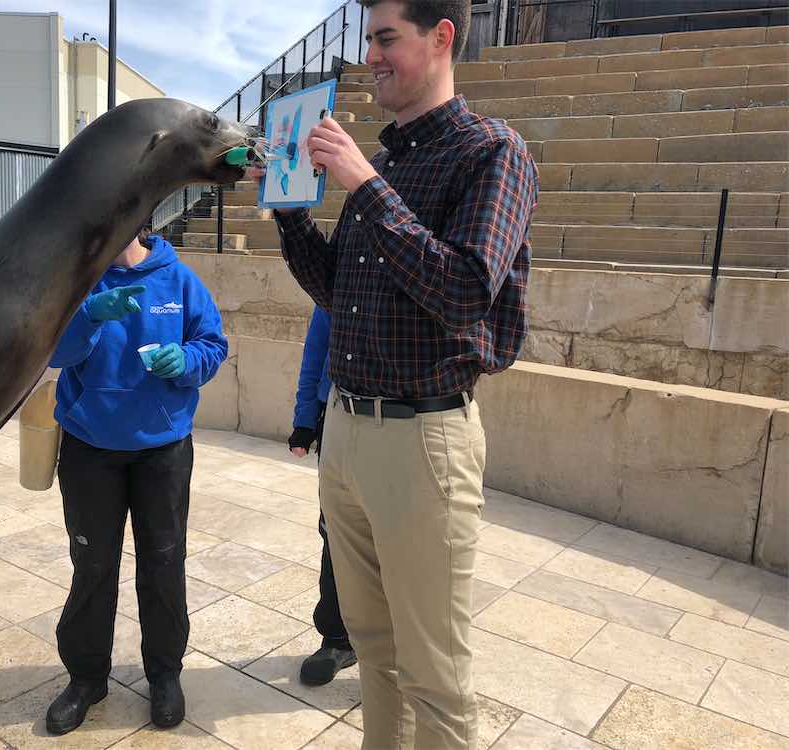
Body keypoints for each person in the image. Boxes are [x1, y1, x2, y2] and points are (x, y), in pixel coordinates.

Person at [249, 0, 538, 746]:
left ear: (441, 37)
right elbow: (336, 288)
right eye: (367, 40)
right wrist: (288, 209)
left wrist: (361, 183)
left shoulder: (492, 153)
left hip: (423, 443)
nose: (371, 56)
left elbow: (466, 292)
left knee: (434, 675)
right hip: (347, 432)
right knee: (374, 652)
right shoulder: (388, 162)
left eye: (386, 38)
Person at [43, 228, 228, 736]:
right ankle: (86, 678)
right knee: (93, 564)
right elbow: (53, 354)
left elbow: (212, 344)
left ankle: (164, 675)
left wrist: (186, 361)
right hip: (89, 446)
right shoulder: (78, 279)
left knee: (164, 564)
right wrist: (88, 315)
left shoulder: (179, 280)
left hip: (162, 451)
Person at [287, 306, 356, 686]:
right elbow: (316, 349)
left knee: (398, 542)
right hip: (338, 417)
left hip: (405, 421)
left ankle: (396, 647)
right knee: (335, 531)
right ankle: (337, 637)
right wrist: (304, 419)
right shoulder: (340, 269)